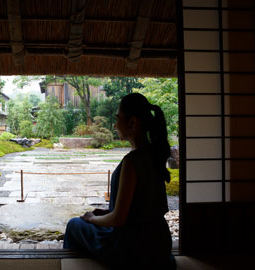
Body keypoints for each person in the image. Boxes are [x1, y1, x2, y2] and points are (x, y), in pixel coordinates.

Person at [63, 93, 176, 269]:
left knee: (74, 225)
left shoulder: (132, 161)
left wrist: (92, 218)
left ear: (132, 123)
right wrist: (107, 211)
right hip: (160, 244)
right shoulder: (154, 155)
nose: (114, 125)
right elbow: (142, 208)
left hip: (133, 248)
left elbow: (118, 220)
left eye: (117, 119)